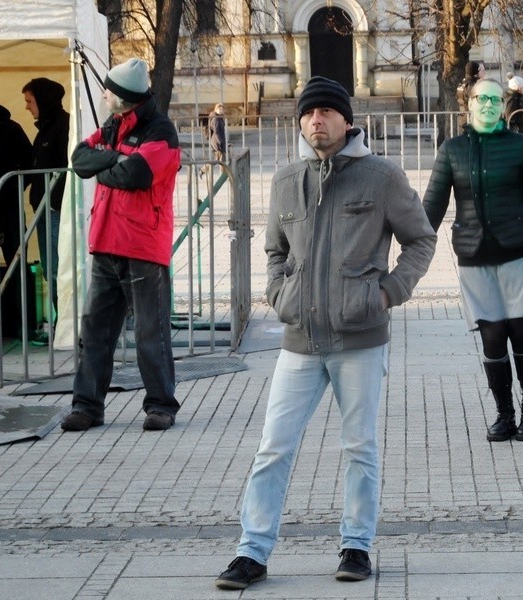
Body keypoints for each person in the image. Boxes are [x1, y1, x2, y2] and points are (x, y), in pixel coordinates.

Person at [214, 76, 436, 590]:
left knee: (359, 446)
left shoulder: (381, 176)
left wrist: (388, 292)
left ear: (347, 120)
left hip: (360, 337)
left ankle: (356, 547)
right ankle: (252, 552)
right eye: (309, 113)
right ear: (300, 122)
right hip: (300, 339)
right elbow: (275, 251)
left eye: (327, 112)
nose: (317, 120)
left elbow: (420, 240)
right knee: (273, 446)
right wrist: (278, 294)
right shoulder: (286, 179)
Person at [423, 78, 523, 443]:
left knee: (521, 334)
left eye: (494, 99)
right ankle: (504, 413)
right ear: (468, 104)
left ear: (503, 105)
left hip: (518, 252)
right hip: (474, 257)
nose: (487, 105)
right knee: (492, 338)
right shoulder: (452, 149)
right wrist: (413, 248)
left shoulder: (519, 147)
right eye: (480, 99)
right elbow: (433, 205)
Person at [62, 58, 181, 432]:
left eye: (108, 91)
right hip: (105, 242)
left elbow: (136, 175)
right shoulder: (114, 125)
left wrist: (109, 163)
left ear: (124, 98)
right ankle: (87, 406)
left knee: (151, 332)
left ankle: (161, 405)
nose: (103, 95)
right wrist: (117, 158)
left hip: (142, 246)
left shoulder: (160, 130)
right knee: (95, 331)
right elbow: (80, 158)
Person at [22, 77, 71, 345]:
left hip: (54, 209)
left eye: (30, 101)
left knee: (56, 268)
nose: (28, 107)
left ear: (43, 101)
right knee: (49, 268)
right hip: (44, 208)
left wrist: (54, 200)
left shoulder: (63, 127)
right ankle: (60, 321)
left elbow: (66, 166)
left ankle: (66, 324)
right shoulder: (44, 130)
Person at [0, 103, 34, 339]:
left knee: (17, 261)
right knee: (17, 261)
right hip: (9, 203)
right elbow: (30, 162)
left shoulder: (11, 128)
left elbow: (30, 163)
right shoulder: (12, 127)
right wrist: (15, 188)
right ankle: (24, 325)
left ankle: (20, 325)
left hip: (8, 203)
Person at [456, 61, 485, 132]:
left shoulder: (462, 85)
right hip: (472, 122)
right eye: (480, 71)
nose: (483, 73)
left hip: (463, 119)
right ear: (475, 74)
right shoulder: (473, 87)